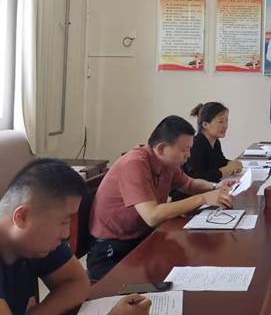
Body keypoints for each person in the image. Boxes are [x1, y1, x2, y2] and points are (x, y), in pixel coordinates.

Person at [87, 115, 236, 281]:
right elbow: (152, 216)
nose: (188, 155)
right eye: (184, 150)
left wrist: (216, 187)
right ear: (161, 148)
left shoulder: (166, 163)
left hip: (142, 237)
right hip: (112, 250)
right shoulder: (135, 164)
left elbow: (190, 184)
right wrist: (204, 199)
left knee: (195, 261)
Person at [0, 159, 149, 315]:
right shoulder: (36, 237)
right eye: (63, 222)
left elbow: (77, 283)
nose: (66, 234)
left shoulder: (33, 239)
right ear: (22, 217)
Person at [171, 102, 242, 201]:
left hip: (208, 192)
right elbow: (197, 178)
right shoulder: (196, 145)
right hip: (188, 198)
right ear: (205, 124)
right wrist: (225, 170)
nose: (225, 126)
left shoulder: (215, 142)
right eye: (221, 121)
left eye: (226, 121)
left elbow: (220, 161)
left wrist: (232, 164)